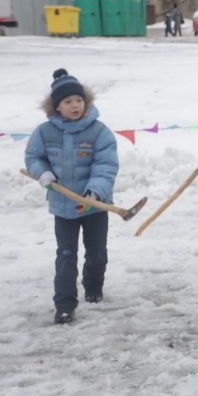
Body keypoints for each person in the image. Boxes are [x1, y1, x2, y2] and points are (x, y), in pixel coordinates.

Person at [24, 69, 119, 325]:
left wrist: (95, 191)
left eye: (79, 100)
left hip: (94, 206)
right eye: (68, 101)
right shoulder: (44, 132)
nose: (75, 105)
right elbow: (33, 157)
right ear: (57, 106)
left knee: (96, 253)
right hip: (63, 207)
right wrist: (42, 172)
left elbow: (106, 165)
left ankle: (93, 289)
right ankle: (65, 305)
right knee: (66, 255)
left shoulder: (100, 132)